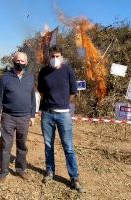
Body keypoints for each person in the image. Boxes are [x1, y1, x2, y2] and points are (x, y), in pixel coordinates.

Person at [37, 45, 84, 193]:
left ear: (62, 57)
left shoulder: (68, 70)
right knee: (48, 145)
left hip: (64, 114)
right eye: (52, 56)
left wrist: (64, 104)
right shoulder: (43, 72)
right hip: (47, 114)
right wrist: (50, 104)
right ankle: (50, 171)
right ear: (48, 56)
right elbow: (41, 91)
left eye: (57, 56)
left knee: (68, 147)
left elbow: (73, 91)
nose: (55, 59)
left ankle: (74, 177)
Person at [0, 52, 36, 186]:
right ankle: (3, 172)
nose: (20, 63)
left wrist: (33, 115)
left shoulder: (30, 77)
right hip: (8, 117)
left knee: (22, 145)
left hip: (24, 117)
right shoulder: (5, 78)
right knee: (5, 146)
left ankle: (20, 169)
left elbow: (32, 98)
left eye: (23, 61)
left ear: (26, 63)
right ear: (13, 61)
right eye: (18, 60)